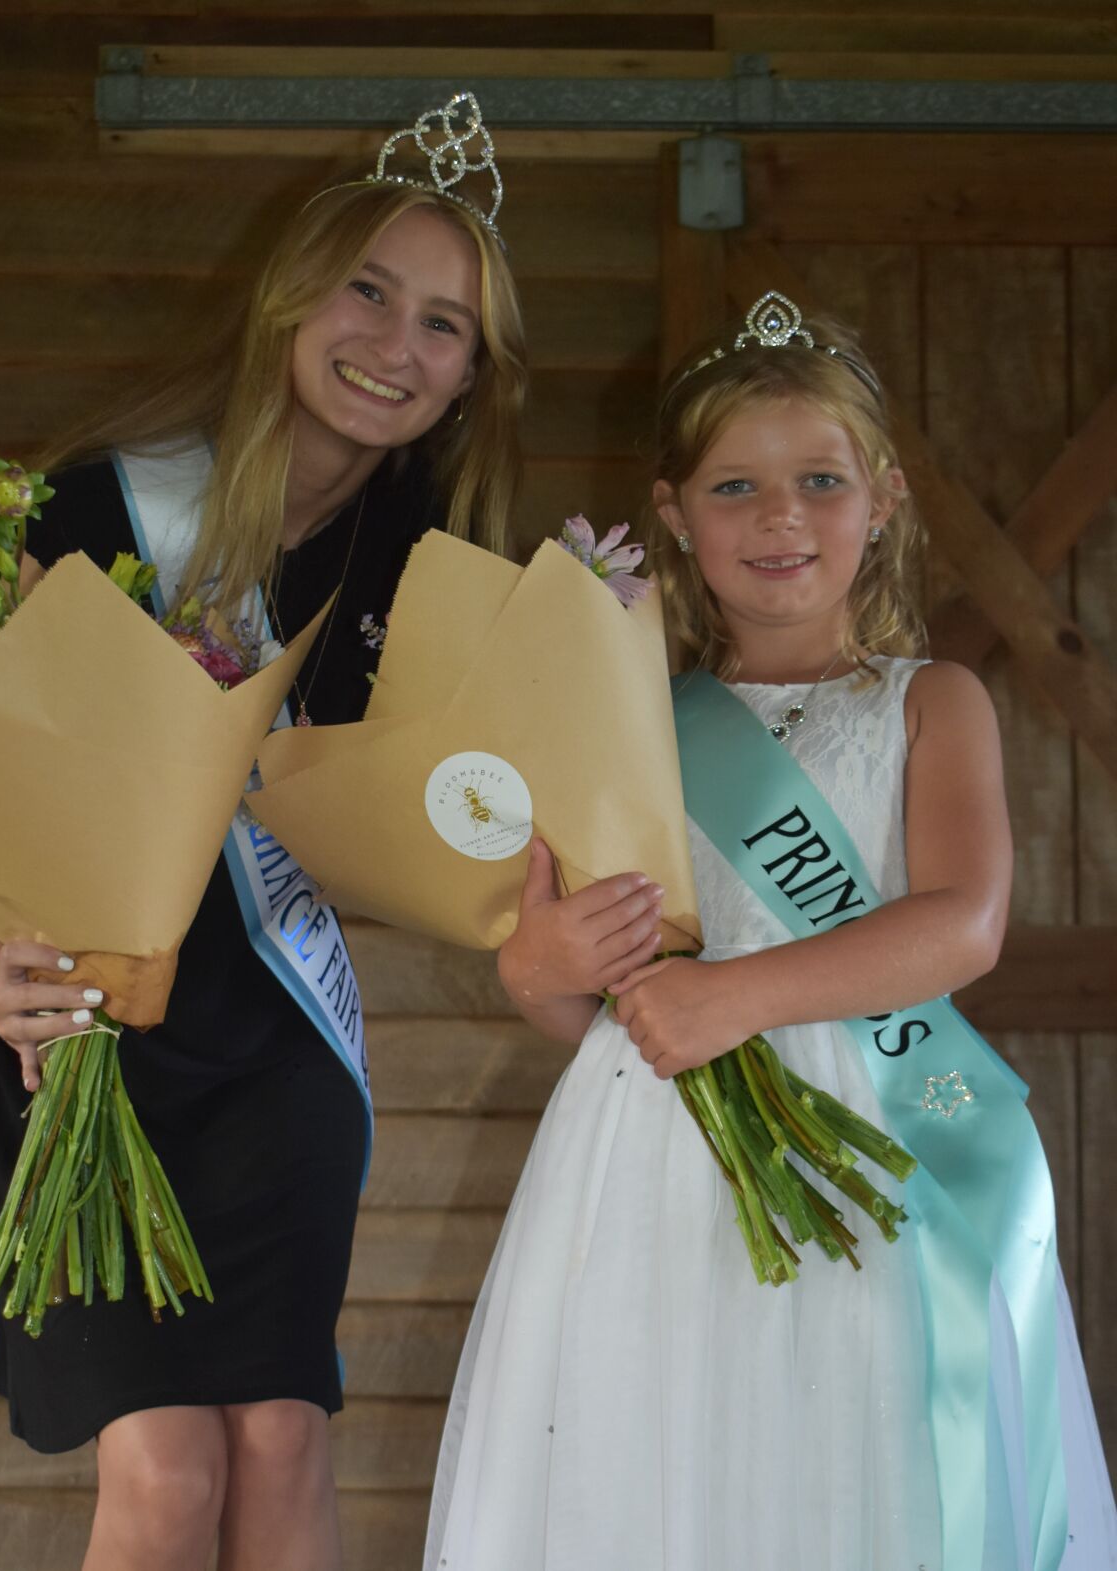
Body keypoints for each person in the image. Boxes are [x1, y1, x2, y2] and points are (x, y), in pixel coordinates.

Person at [423, 292, 1117, 1570]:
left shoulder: (934, 700)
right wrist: (538, 968)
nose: (782, 515)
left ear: (884, 497)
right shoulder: (625, 713)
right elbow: (577, 981)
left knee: (856, 1464)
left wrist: (738, 996)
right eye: (736, 486)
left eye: (820, 479)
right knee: (661, 1459)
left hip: (877, 1139)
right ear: (675, 516)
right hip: (650, 1148)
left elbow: (962, 924)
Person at [0, 93, 526, 1571]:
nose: (398, 344)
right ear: (292, 291)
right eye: (370, 289)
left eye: (446, 326)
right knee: (165, 1465)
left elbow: (434, 827)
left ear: (472, 375)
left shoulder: (434, 577)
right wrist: (0, 958)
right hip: (82, 1011)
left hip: (275, 1033)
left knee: (281, 1436)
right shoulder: (104, 505)